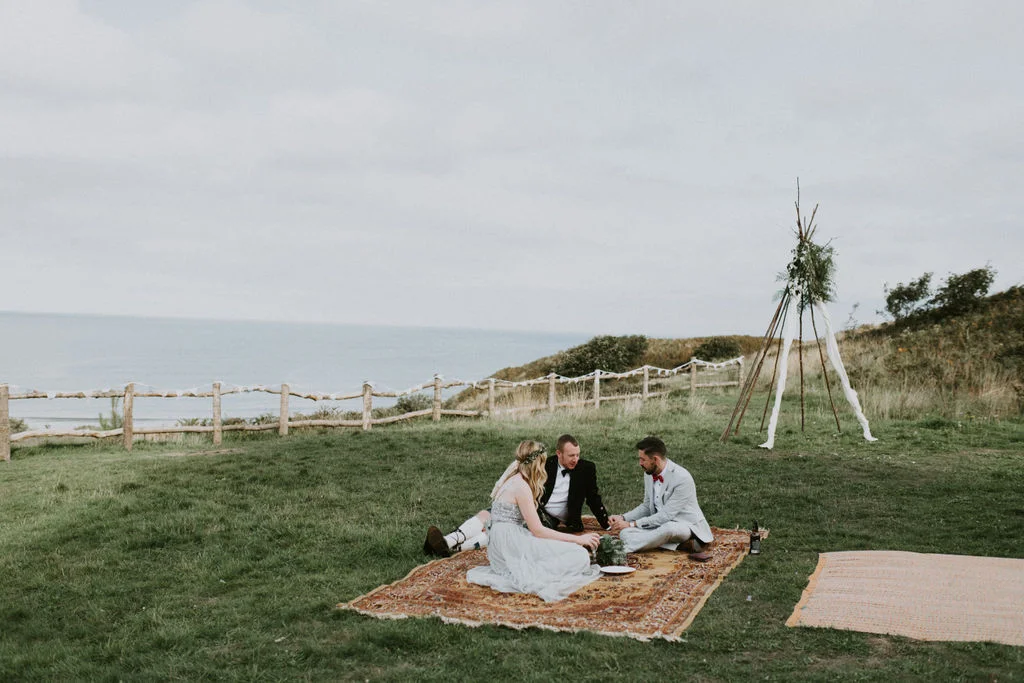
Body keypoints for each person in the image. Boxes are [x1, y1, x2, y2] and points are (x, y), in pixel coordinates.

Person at [423, 434, 608, 555]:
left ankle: (453, 547)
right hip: (533, 506)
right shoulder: (543, 463)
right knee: (488, 514)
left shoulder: (586, 468)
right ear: (559, 454)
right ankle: (448, 541)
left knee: (503, 528)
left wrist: (606, 523)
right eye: (571, 455)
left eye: (578, 455)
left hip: (549, 518)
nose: (576, 459)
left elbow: (593, 497)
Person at [465, 440, 602, 602]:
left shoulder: (511, 479)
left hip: (500, 542)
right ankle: (537, 572)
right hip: (510, 542)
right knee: (579, 556)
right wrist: (578, 540)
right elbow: (538, 530)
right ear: (538, 463)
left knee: (556, 550)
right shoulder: (521, 486)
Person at [608, 436, 714, 560]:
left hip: (684, 525)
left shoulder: (682, 478)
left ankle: (623, 549)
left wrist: (631, 524)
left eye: (643, 459)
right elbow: (647, 506)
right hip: (658, 525)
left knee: (668, 529)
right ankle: (678, 545)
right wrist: (623, 518)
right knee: (625, 533)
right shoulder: (649, 473)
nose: (640, 463)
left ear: (655, 459)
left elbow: (666, 516)